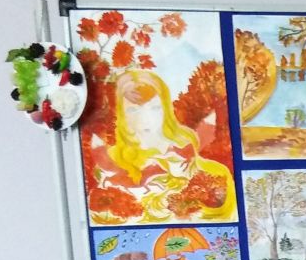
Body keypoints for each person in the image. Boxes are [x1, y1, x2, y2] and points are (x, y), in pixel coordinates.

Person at [99, 70, 236, 222]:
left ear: (165, 107)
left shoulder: (184, 140)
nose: (146, 118)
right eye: (133, 110)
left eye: (155, 108)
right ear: (121, 113)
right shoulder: (113, 159)